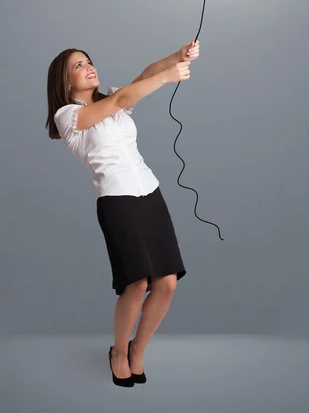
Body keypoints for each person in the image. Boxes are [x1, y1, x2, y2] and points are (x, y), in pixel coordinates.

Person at [45, 42, 198, 386]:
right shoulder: (68, 116)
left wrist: (177, 57)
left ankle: (137, 350)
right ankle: (118, 352)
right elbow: (122, 100)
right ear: (65, 81)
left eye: (89, 61)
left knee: (167, 283)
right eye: (78, 65)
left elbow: (142, 78)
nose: (89, 67)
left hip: (149, 191)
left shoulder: (113, 97)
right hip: (117, 200)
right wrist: (168, 78)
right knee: (137, 282)